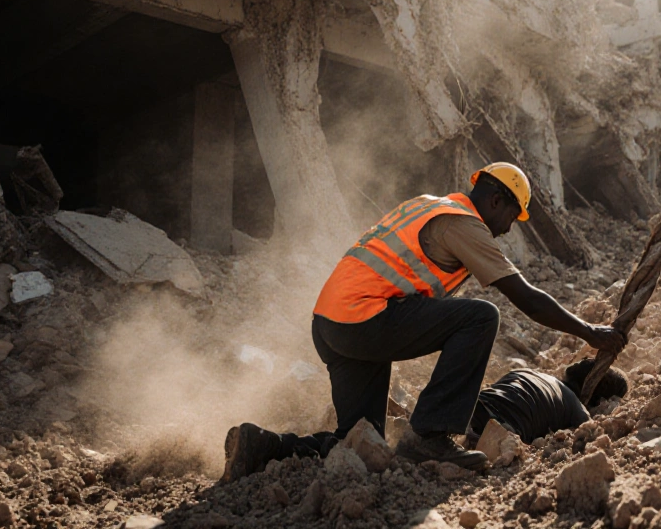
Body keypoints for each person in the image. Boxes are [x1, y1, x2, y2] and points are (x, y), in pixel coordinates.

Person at [221, 162, 626, 481]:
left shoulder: (429, 205)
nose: (505, 230)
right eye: (511, 218)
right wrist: (591, 332)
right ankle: (430, 436)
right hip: (365, 318)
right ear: (497, 201)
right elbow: (527, 299)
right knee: (482, 317)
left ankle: (264, 447)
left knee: (361, 442)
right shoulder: (464, 224)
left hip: (332, 324)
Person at [220, 359, 628, 482]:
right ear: (594, 394)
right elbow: (587, 433)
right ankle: (269, 447)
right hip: (476, 435)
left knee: (362, 441)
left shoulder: (526, 375)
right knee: (382, 464)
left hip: (449, 412)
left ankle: (272, 443)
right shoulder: (577, 406)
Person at [468, 358, 629, 445]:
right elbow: (592, 433)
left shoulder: (526, 372)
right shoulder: (574, 405)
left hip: (472, 408)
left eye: (590, 362)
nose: (586, 358)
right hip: (499, 428)